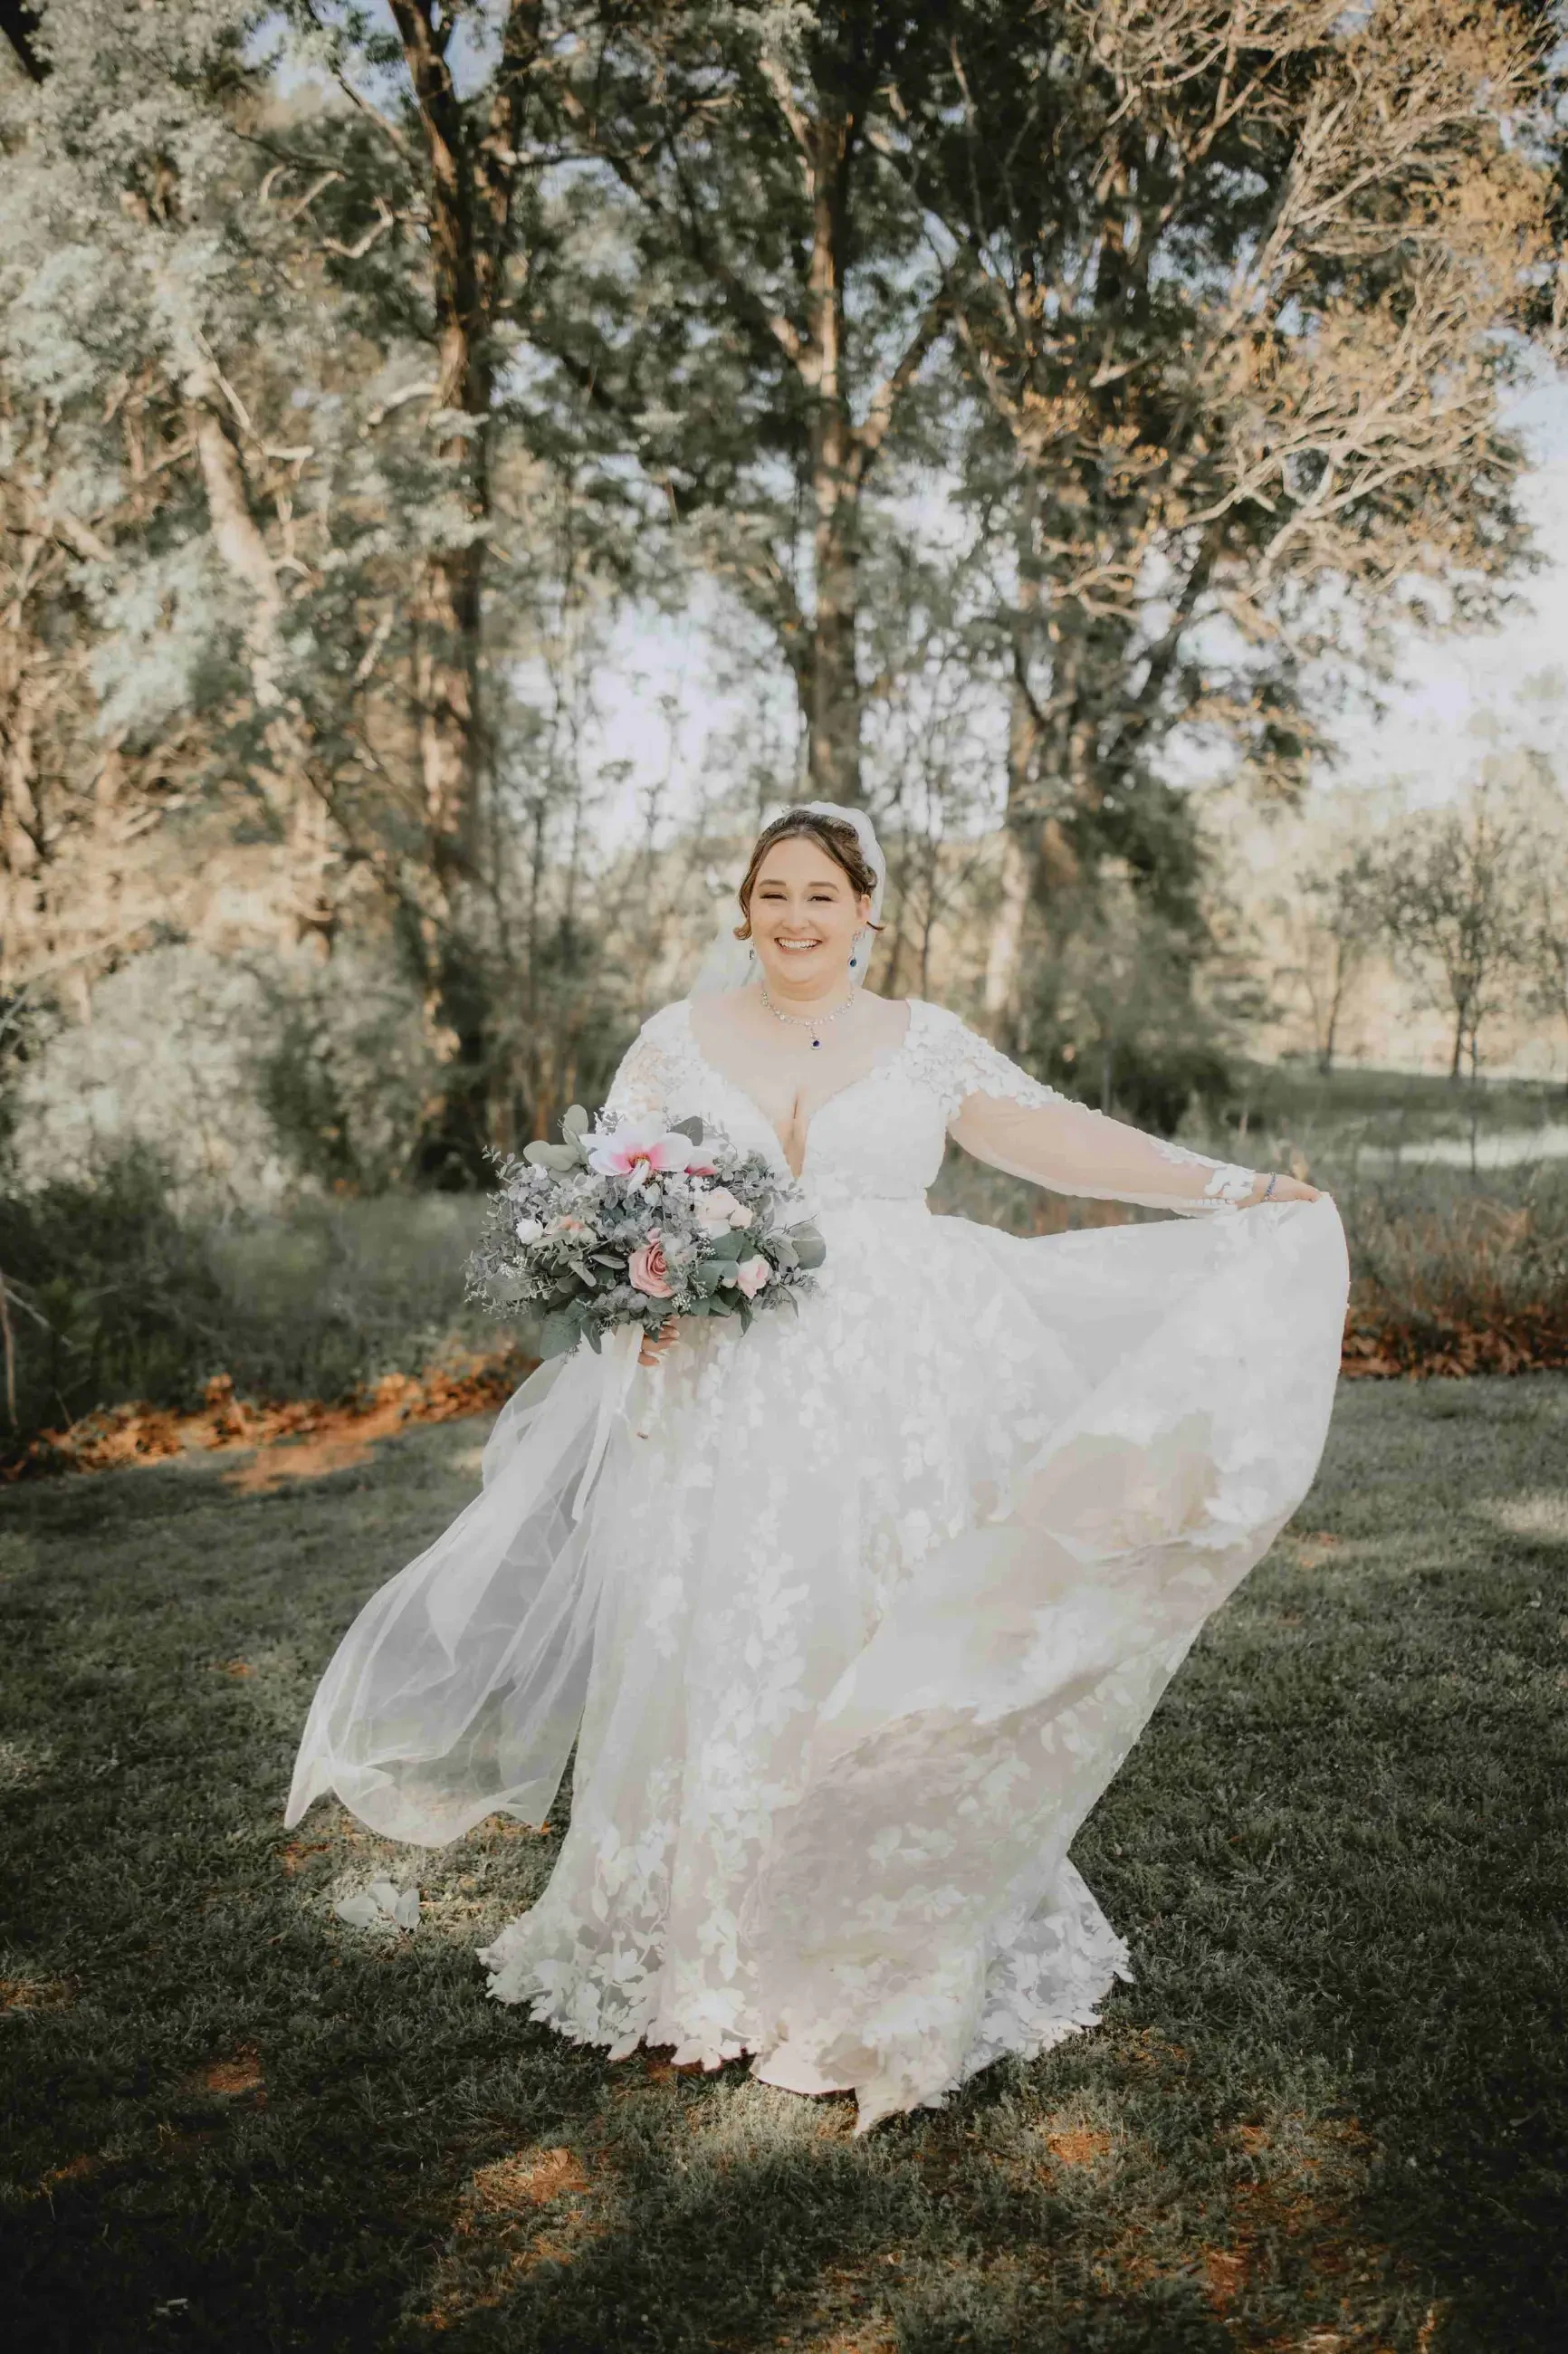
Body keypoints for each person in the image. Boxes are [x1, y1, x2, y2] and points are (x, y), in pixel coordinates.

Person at [286, 802, 1346, 2133]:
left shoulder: (923, 1041)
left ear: (867, 912)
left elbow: (1059, 1138)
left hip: (889, 1386)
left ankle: (875, 1936)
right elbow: (604, 1199)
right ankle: (698, 1953)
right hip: (723, 1385)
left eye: (823, 896)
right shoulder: (674, 1041)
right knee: (715, 1636)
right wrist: (634, 1295)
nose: (796, 916)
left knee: (877, 1623)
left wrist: (1237, 1189)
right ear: (744, 908)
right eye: (773, 894)